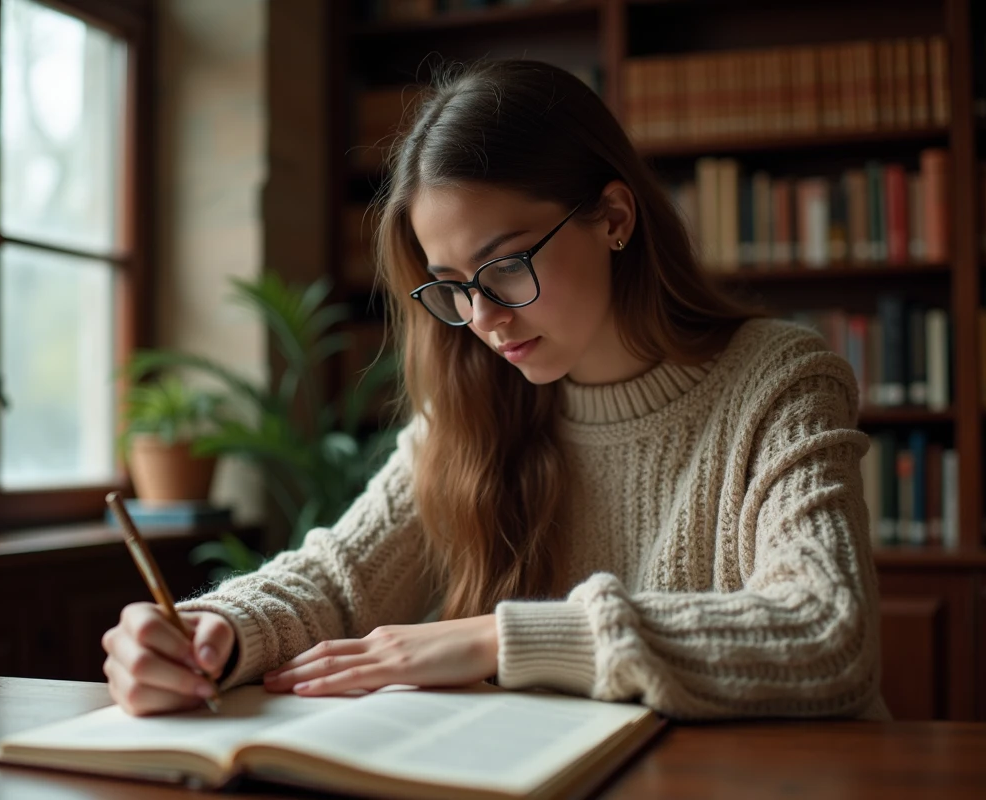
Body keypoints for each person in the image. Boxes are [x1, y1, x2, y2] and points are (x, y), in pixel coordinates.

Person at [101, 59, 889, 721]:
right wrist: (212, 630)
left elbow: (825, 629)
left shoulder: (780, 379)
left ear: (614, 217)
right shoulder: (474, 403)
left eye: (506, 265)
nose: (481, 319)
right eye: (450, 287)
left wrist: (494, 640)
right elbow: (338, 579)